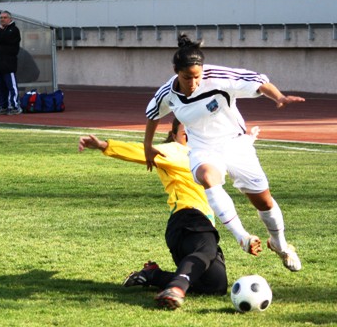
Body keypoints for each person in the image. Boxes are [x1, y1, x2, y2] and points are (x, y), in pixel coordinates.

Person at [144, 34, 304, 272]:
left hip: (235, 144)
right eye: (187, 77)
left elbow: (257, 80)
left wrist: (278, 96)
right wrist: (147, 146)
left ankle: (280, 245)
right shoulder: (168, 92)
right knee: (209, 177)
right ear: (176, 71)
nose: (193, 82)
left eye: (197, 76)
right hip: (202, 148)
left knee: (264, 201)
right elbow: (152, 114)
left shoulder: (219, 77)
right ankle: (242, 237)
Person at [79, 119, 259, 309]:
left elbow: (226, 152)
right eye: (185, 132)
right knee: (206, 250)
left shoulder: (205, 155)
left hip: (195, 227)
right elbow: (142, 151)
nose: (190, 135)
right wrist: (104, 145)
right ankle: (176, 288)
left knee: (215, 286)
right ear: (174, 136)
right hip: (187, 218)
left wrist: (247, 140)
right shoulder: (174, 150)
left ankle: (152, 275)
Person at [0, 10, 22, 115]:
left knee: (12, 86)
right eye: (1, 18)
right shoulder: (0, 30)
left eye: (5, 17)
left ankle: (15, 106)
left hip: (8, 64)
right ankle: (3, 106)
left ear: (10, 19)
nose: (2, 19)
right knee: (0, 87)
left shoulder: (14, 30)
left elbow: (4, 38)